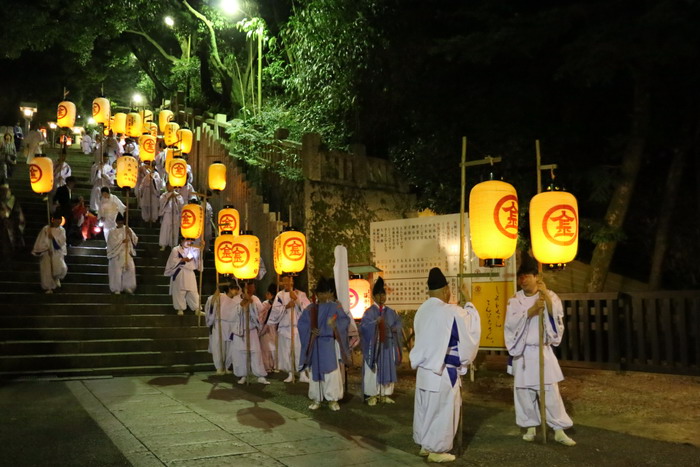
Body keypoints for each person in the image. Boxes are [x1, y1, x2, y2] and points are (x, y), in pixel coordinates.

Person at [410, 267, 481, 463]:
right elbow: (470, 328)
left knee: (425, 409)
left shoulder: (422, 311)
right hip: (442, 371)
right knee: (442, 410)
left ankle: (425, 444)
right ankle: (437, 449)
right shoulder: (451, 312)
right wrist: (469, 303)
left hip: (424, 371)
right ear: (445, 290)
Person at [504, 257, 576, 446]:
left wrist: (545, 299)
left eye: (527, 276)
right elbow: (510, 324)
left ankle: (559, 429)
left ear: (537, 277)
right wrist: (531, 311)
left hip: (542, 352)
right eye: (521, 277)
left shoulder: (549, 295)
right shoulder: (515, 299)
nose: (523, 280)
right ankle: (530, 427)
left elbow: (556, 318)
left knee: (550, 392)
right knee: (524, 392)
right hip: (523, 353)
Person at [298, 277, 351, 411]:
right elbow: (301, 324)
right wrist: (311, 331)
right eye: (319, 293)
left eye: (324, 292)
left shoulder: (335, 307)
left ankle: (332, 399)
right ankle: (316, 398)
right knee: (315, 372)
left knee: (331, 371)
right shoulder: (311, 309)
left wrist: (335, 327)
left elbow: (344, 321)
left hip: (328, 343)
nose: (322, 295)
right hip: (315, 343)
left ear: (330, 293)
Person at [360, 277, 402, 406]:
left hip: (387, 345)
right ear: (373, 296)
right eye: (379, 294)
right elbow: (364, 327)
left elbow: (398, 324)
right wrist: (375, 323)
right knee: (374, 369)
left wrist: (396, 328)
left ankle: (385, 394)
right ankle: (372, 394)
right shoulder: (369, 312)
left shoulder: (390, 312)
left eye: (383, 294)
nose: (382, 297)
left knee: (387, 367)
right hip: (375, 345)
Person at [268, 273, 311, 383]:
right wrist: (286, 306)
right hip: (284, 328)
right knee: (286, 352)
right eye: (284, 281)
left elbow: (307, 309)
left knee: (299, 351)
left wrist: (296, 300)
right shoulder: (279, 295)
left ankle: (302, 373)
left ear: (292, 281)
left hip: (297, 328)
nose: (287, 283)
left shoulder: (301, 294)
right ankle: (290, 373)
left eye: (288, 281)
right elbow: (275, 311)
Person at [228, 283, 270, 385]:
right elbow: (232, 315)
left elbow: (261, 313)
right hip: (240, 331)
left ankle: (260, 375)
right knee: (241, 353)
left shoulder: (255, 299)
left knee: (255, 352)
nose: (252, 289)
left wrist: (252, 305)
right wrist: (242, 304)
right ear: (244, 289)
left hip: (251, 330)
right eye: (250, 288)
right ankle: (243, 375)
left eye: (253, 287)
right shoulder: (235, 299)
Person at [163, 237, 202, 316]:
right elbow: (173, 261)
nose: (189, 242)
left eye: (191, 240)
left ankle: (197, 308)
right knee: (180, 291)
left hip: (190, 272)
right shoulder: (176, 250)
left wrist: (201, 247)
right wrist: (183, 260)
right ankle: (180, 308)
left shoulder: (193, 249)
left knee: (193, 292)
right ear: (182, 240)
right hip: (180, 272)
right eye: (187, 240)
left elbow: (198, 258)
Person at [31, 213, 67, 294]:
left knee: (57, 268)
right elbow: (41, 240)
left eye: (59, 220)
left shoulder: (62, 230)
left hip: (57, 253)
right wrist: (46, 248)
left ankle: (56, 280)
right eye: (56, 220)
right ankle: (48, 287)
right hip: (47, 253)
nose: (57, 222)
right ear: (53, 220)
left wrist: (53, 239)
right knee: (47, 270)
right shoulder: (46, 229)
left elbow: (61, 242)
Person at [205, 284, 237, 375]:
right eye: (234, 289)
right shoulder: (220, 297)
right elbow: (211, 304)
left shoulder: (237, 300)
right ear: (229, 289)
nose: (236, 291)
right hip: (220, 324)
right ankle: (219, 367)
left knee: (229, 347)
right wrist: (217, 290)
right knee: (218, 346)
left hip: (232, 325)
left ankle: (227, 366)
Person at [106, 213, 138, 294]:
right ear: (116, 222)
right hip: (116, 254)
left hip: (126, 252)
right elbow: (112, 242)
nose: (120, 224)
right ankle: (116, 288)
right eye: (118, 222)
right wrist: (122, 242)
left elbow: (135, 239)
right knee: (116, 271)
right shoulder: (112, 231)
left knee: (130, 268)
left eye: (121, 222)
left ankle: (128, 287)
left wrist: (130, 233)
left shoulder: (127, 229)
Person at [0, 184, 25, 257]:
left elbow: (18, 217)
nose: (3, 193)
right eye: (1, 191)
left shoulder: (13, 201)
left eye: (5, 191)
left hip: (10, 227)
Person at [258, 283, 278, 372]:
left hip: (274, 328)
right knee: (266, 349)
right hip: (266, 327)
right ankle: (267, 366)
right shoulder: (265, 304)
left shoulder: (277, 304)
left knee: (274, 348)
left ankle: (275, 366)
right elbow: (261, 317)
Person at [158, 184, 184, 250]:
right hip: (167, 213)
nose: (169, 187)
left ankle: (173, 244)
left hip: (175, 214)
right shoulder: (164, 195)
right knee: (165, 229)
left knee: (174, 229)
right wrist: (168, 198)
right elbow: (161, 203)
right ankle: (163, 244)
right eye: (167, 186)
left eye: (170, 186)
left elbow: (181, 204)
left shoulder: (178, 195)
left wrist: (175, 198)